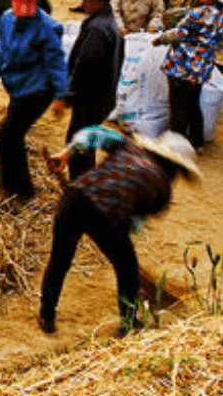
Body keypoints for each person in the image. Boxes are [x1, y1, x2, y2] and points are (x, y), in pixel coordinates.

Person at [38, 127, 201, 336]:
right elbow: (134, 222)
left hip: (75, 197)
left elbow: (92, 134)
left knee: (60, 260)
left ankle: (47, 316)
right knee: (128, 269)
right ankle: (129, 324)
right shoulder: (162, 191)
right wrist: (119, 240)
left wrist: (67, 153)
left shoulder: (127, 146)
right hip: (106, 217)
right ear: (176, 168)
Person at [0, 0, 70, 199]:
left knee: (6, 137)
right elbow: (2, 51)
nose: (23, 16)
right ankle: (14, 186)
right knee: (13, 137)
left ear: (36, 2)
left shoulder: (48, 28)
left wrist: (61, 95)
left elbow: (56, 63)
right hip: (16, 86)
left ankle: (20, 192)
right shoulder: (6, 19)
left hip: (38, 90)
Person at [154, 0, 223, 149]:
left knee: (177, 105)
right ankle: (197, 142)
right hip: (202, 67)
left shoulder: (198, 13)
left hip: (182, 64)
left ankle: (176, 145)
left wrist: (160, 39)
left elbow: (179, 33)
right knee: (193, 104)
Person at [65, 0, 124, 149]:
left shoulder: (97, 29)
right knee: (86, 142)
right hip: (104, 97)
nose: (83, 4)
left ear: (96, 1)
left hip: (90, 98)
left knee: (77, 144)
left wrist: (71, 94)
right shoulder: (110, 22)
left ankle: (81, 176)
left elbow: (87, 64)